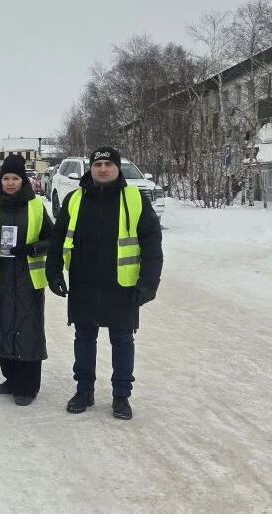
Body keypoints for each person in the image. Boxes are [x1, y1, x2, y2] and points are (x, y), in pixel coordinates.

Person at [46, 146, 163, 420]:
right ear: (90, 168)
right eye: (97, 165)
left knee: (122, 340)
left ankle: (121, 396)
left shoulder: (134, 199)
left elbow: (152, 243)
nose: (102, 169)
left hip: (121, 284)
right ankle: (84, 390)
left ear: (117, 168)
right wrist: (53, 272)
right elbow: (58, 238)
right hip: (83, 281)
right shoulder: (75, 199)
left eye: (108, 165)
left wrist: (148, 283)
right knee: (84, 338)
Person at [0, 154, 54, 406]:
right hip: (1, 277)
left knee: (28, 331)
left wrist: (32, 248)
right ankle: (10, 378)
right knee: (3, 327)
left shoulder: (36, 206)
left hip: (28, 280)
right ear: (0, 180)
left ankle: (27, 386)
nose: (10, 183)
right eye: (6, 178)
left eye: (15, 178)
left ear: (23, 180)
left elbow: (53, 239)